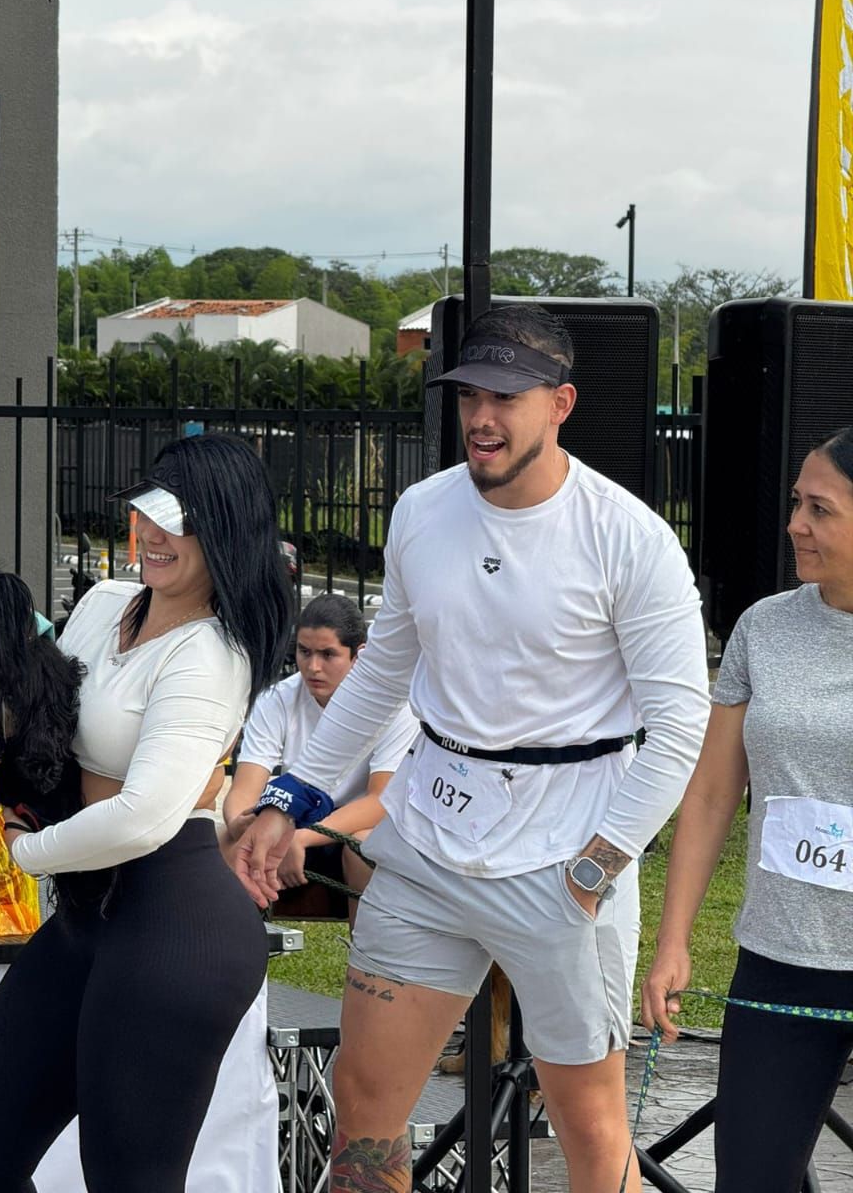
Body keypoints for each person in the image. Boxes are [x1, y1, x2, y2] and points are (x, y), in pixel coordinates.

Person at [236, 303, 710, 1193]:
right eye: (469, 397)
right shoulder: (422, 510)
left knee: (591, 1135)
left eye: (507, 398)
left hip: (565, 862)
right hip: (425, 846)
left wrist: (598, 866)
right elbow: (382, 678)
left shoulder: (631, 538)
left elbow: (680, 726)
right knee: (364, 1109)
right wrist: (290, 796)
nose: (482, 418)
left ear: (561, 402)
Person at [0, 432, 292, 1193]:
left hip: (175, 924)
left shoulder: (211, 654)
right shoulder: (105, 605)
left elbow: (141, 818)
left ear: (226, 531)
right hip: (86, 918)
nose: (154, 535)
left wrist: (22, 853)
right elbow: (42, 720)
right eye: (149, 512)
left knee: (130, 1182)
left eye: (179, 519)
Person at [641, 427, 853, 1193]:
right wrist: (673, 941)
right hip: (782, 960)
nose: (796, 523)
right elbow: (709, 795)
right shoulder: (764, 628)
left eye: (820, 509)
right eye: (798, 502)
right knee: (753, 1178)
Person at [223, 593, 419, 926]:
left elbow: (380, 800)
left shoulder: (397, 707)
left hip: (350, 830)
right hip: (290, 828)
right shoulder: (278, 699)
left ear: (359, 655)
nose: (313, 667)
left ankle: (369, 967)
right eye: (304, 652)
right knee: (220, 844)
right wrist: (241, 822)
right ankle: (240, 967)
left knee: (364, 848)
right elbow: (244, 789)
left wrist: (300, 837)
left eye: (328, 654)